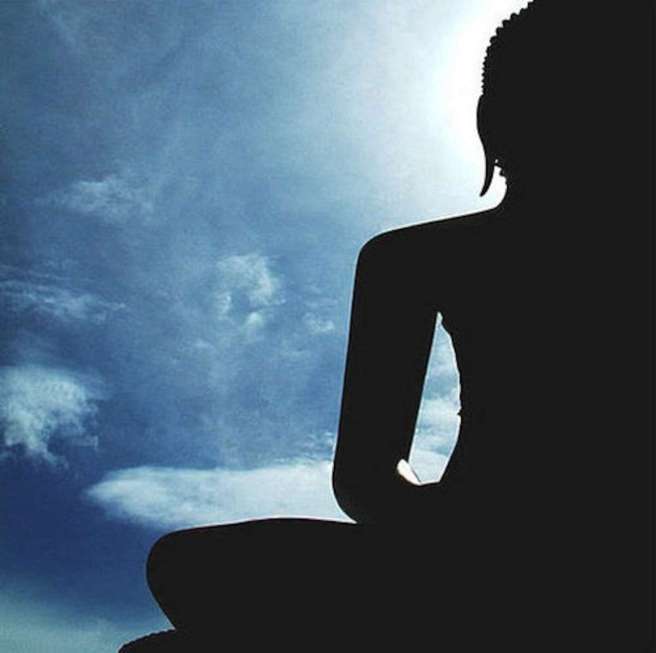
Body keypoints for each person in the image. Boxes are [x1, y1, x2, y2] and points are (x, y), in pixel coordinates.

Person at [121, 2, 653, 650]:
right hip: (457, 549)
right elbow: (366, 477)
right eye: (556, 103)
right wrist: (449, 531)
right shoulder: (414, 260)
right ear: (494, 120)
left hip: (612, 552)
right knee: (185, 562)